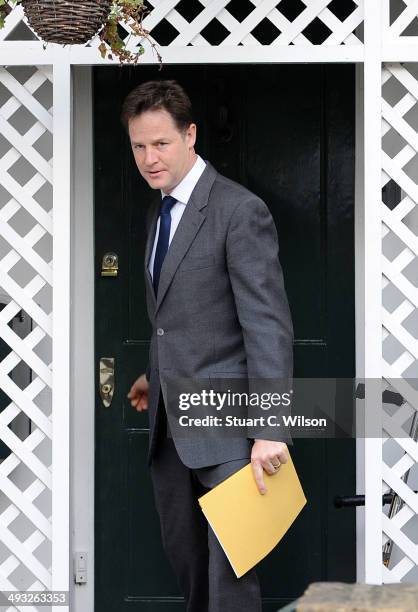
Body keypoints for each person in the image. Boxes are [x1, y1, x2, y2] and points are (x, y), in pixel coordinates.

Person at [123, 80, 293, 612]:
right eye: (138, 146)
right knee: (191, 571)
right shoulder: (159, 214)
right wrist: (157, 374)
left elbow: (267, 326)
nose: (149, 158)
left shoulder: (239, 211)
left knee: (232, 581)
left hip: (232, 435)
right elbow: (177, 319)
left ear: (191, 134)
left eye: (161, 144)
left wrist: (269, 429)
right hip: (172, 430)